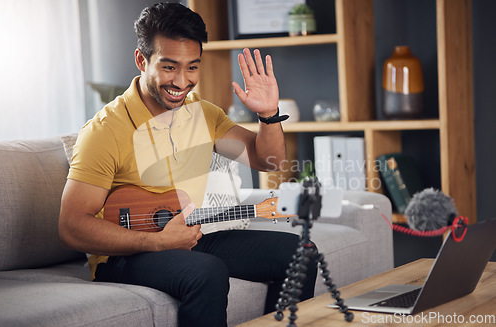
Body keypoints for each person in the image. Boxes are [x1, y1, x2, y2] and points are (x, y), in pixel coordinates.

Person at [58, 3, 317, 326]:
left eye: (192, 67)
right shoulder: (105, 130)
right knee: (207, 271)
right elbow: (71, 226)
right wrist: (156, 242)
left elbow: (269, 161)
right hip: (123, 255)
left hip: (184, 235)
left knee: (300, 251)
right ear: (142, 60)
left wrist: (267, 113)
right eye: (169, 67)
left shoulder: (202, 113)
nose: (182, 82)